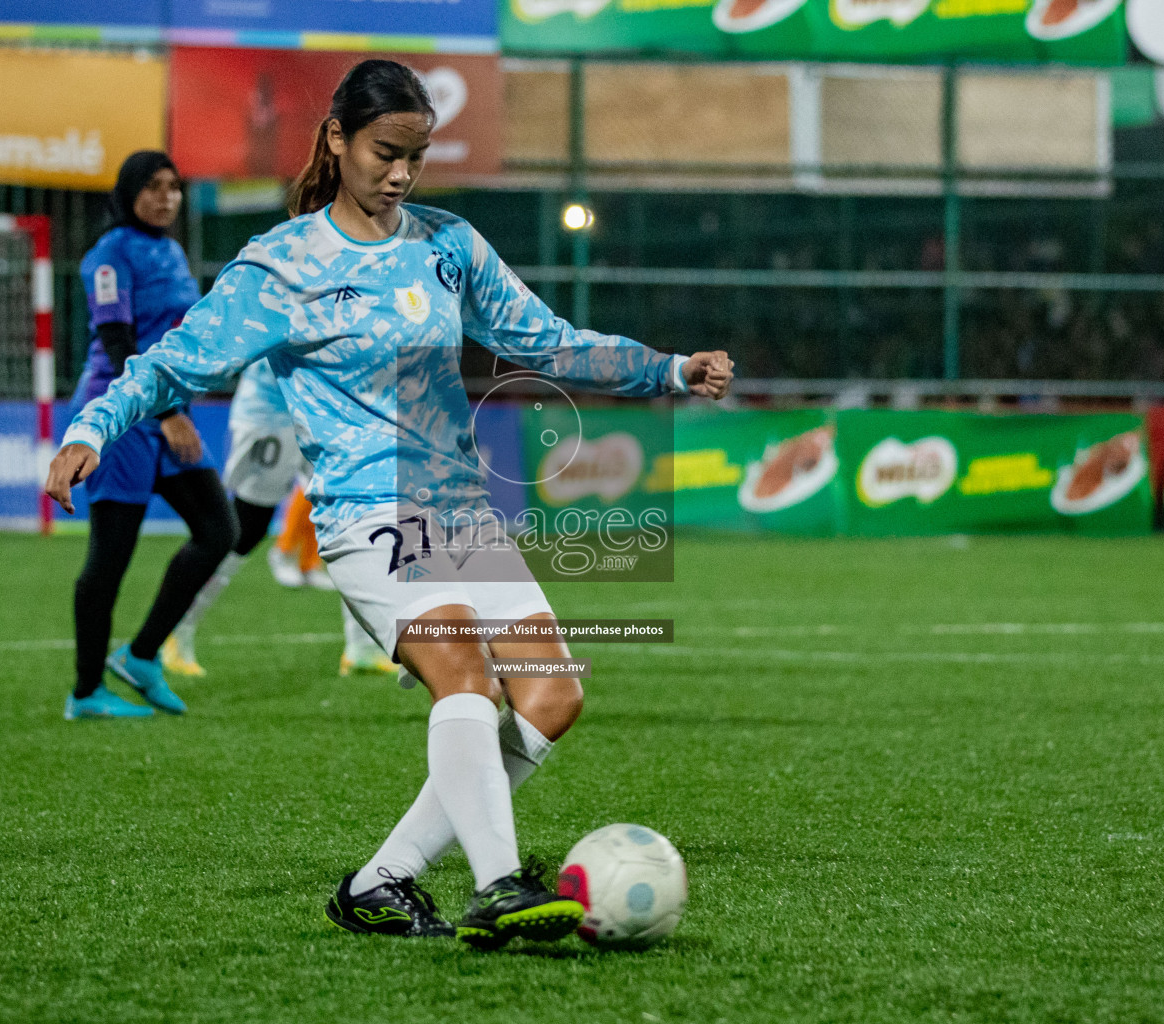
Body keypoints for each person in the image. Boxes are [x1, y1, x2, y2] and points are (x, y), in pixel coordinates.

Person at [46, 60, 732, 946]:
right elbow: (173, 360)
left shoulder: (448, 245)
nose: (402, 173)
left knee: (554, 697)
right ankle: (498, 885)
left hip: (459, 511)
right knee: (463, 676)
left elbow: (546, 342)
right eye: (385, 152)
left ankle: (383, 881)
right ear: (336, 140)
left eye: (416, 155)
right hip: (367, 509)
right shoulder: (283, 264)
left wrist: (668, 369)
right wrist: (94, 429)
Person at [63, 150, 238, 721]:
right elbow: (117, 342)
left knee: (219, 530)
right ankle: (86, 692)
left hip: (167, 412)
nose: (166, 197)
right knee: (110, 557)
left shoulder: (169, 250)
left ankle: (140, 656)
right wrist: (165, 414)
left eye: (173, 186)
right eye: (153, 187)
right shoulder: (109, 255)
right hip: (120, 417)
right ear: (128, 192)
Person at [160, 360, 392, 679]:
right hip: (270, 414)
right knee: (246, 527)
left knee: (349, 520)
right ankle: (175, 630)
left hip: (325, 415)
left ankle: (362, 649)